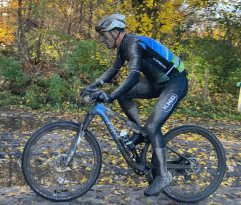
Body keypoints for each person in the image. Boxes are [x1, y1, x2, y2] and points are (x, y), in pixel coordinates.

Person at [81, 14, 189, 196]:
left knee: (153, 126)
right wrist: (95, 85)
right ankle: (139, 132)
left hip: (175, 82)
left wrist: (110, 97)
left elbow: (132, 77)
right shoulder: (123, 48)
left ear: (116, 32)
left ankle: (163, 176)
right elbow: (113, 70)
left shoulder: (134, 44)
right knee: (124, 94)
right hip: (157, 82)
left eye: (104, 35)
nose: (102, 40)